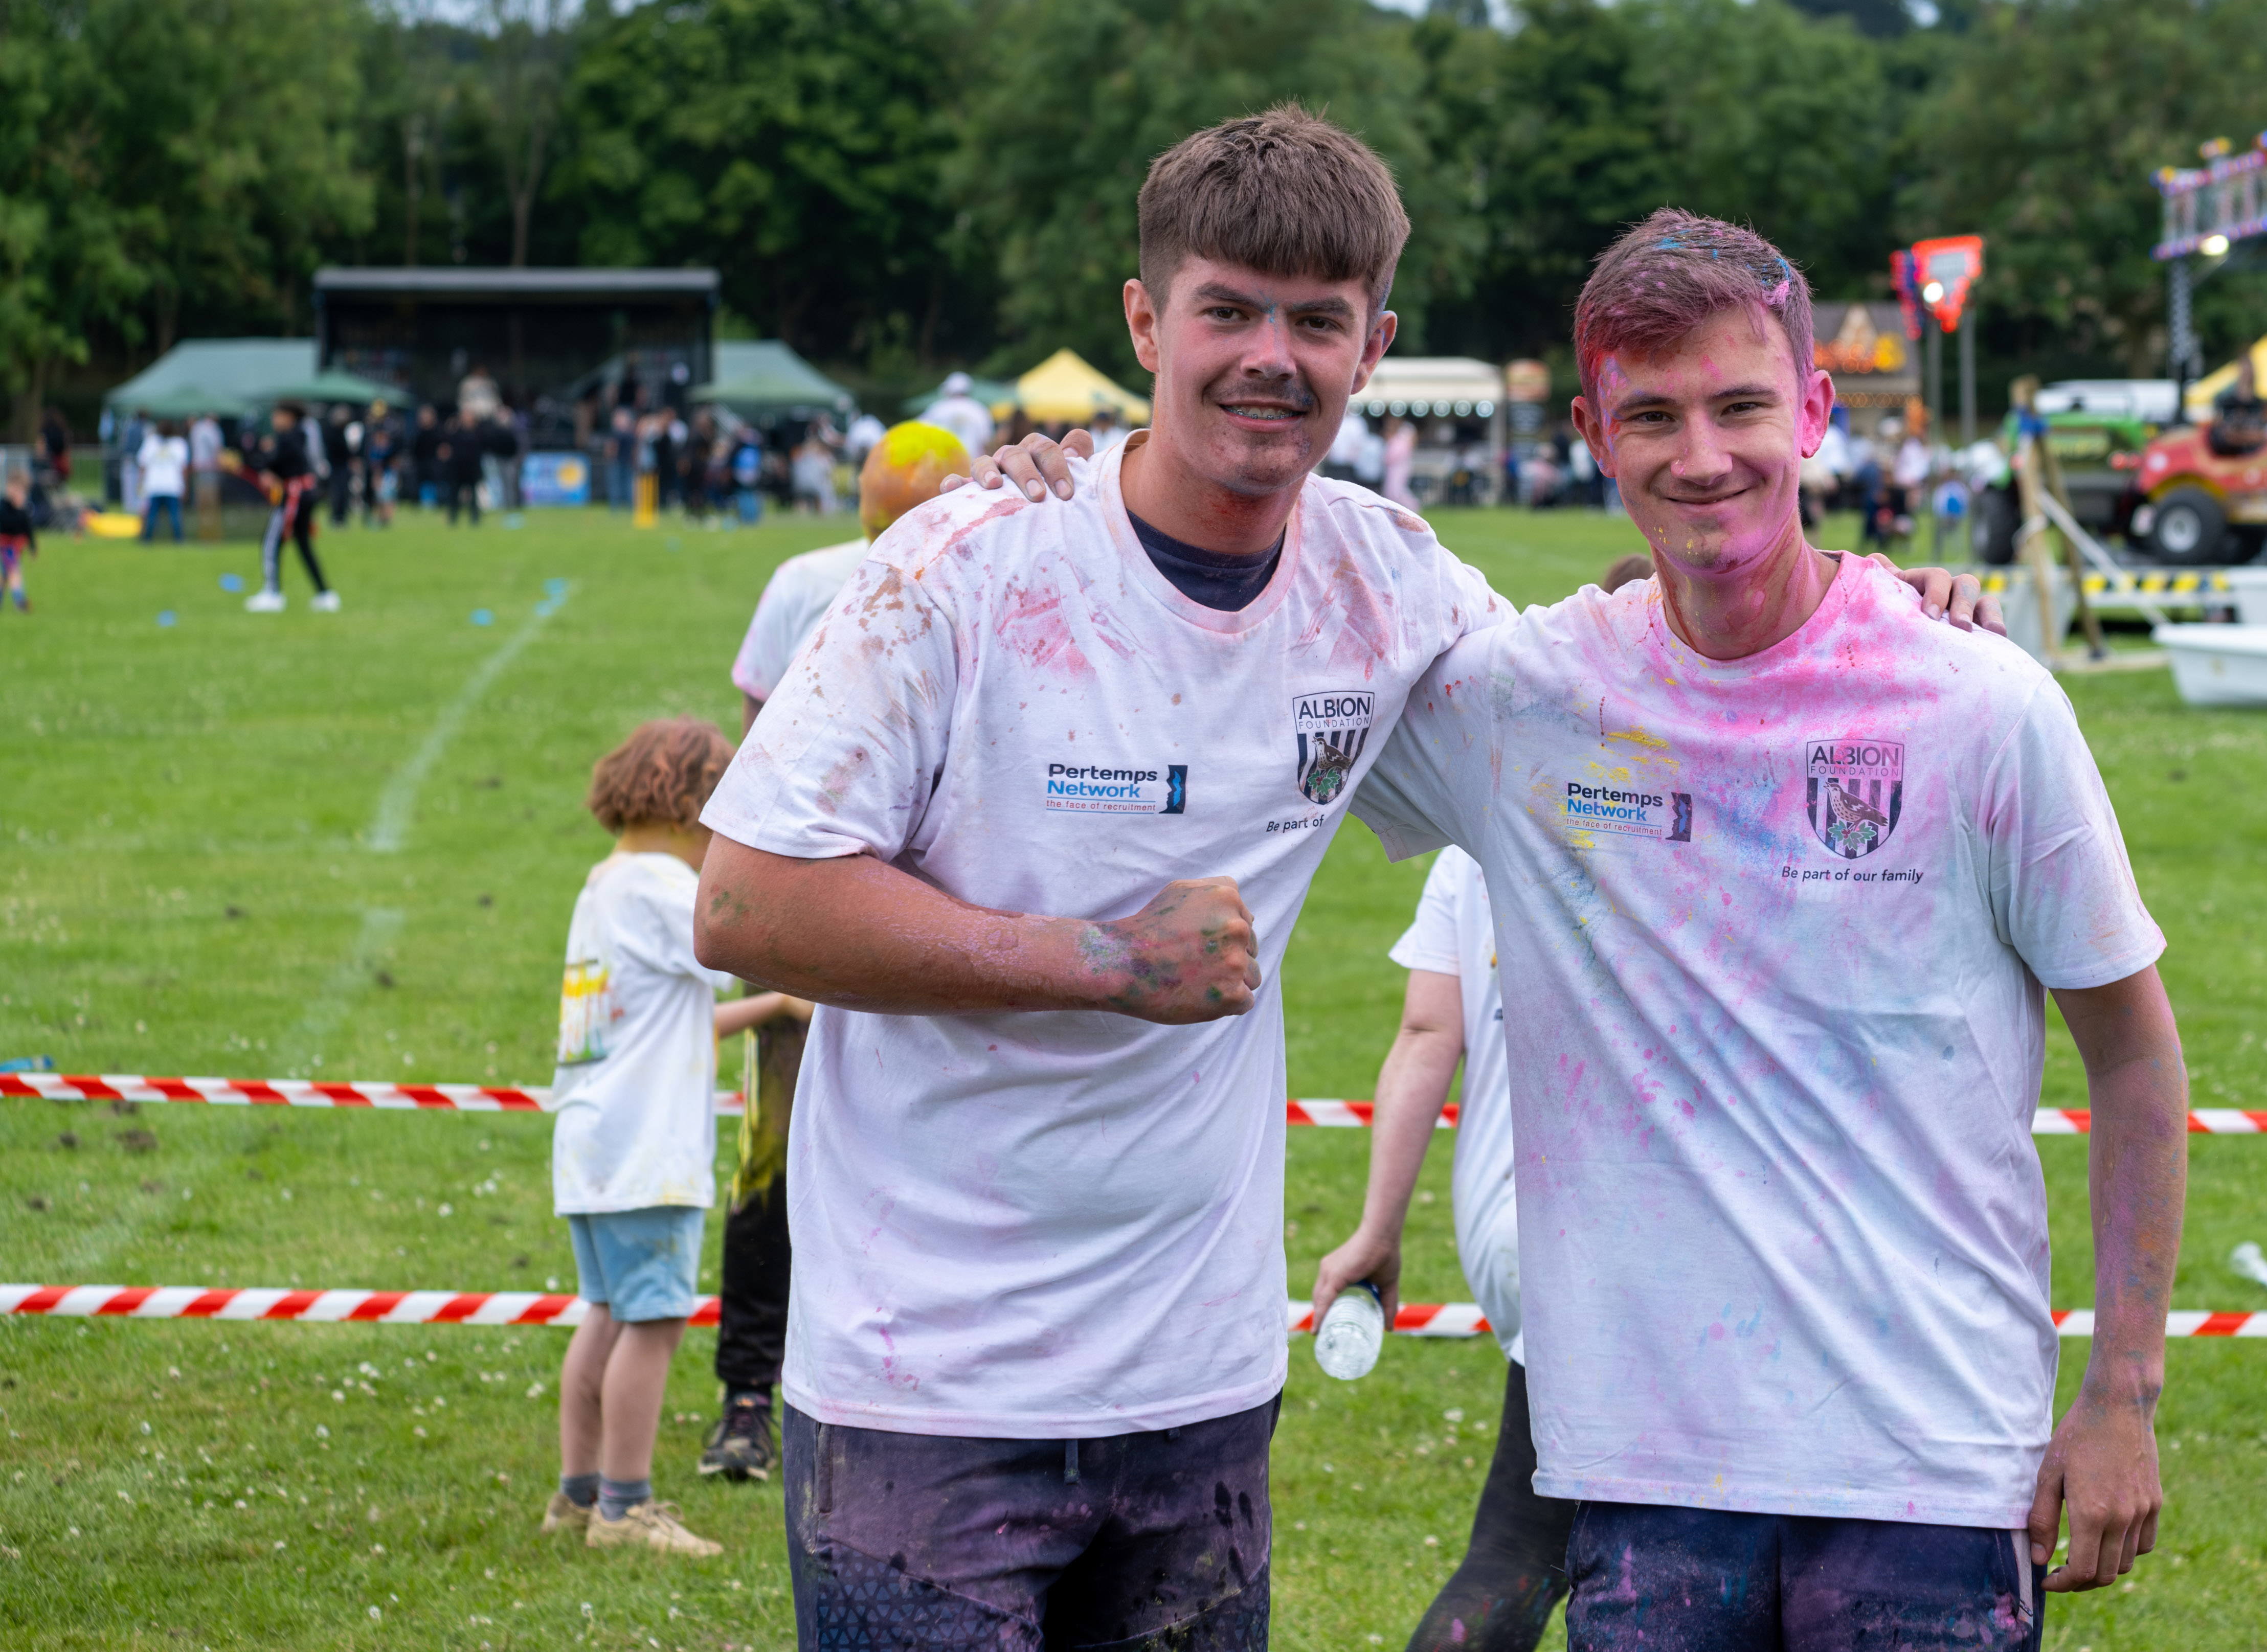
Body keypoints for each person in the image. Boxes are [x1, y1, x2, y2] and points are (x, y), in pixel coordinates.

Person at [700, 110, 2003, 1651]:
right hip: (923, 1392)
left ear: (1371, 343)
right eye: (1226, 311)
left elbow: (1620, 704)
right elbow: (747, 904)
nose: (1271, 355)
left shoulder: (1380, 585)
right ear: (1142, 321)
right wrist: (1096, 960)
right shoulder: (965, 570)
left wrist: (1867, 620)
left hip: (1200, 1393)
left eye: (1315, 320)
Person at [1346, 210, 2186, 1648]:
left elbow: (2133, 1060)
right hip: (1644, 1471)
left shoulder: (1978, 701)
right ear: (1593, 431)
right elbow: (1241, 632)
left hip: (1928, 1465)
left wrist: (2117, 1395)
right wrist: (1057, 485)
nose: (1700, 455)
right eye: (1652, 415)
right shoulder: (1523, 700)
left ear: (1810, 409)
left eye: (1739, 404)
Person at [1309, 559, 1649, 1652]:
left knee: (1516, 1547)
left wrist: (1374, 1229)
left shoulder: (1490, 821)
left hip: (1510, 1234)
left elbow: (1424, 1036)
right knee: (1650, 1569)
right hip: (1641, 1241)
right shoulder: (1698, 816)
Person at [696, 419, 976, 1487]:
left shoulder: (988, 574)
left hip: (932, 925)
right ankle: (747, 1395)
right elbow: (763, 771)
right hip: (810, 935)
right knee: (767, 1163)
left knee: (926, 1152)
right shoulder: (804, 587)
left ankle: (918, 1390)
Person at [543, 716, 805, 1558]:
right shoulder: (665, 891)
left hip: (593, 1148)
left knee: (607, 1315)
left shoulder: (605, 886)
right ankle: (628, 1508)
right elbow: (741, 933)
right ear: (696, 806)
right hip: (648, 1155)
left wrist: (777, 1007)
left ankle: (576, 1496)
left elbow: (677, 1018)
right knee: (653, 1325)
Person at [234, 402, 338, 613]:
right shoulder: (300, 434)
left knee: (271, 544)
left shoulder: (290, 437)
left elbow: (279, 462)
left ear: (289, 416)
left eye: (278, 415)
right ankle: (325, 594)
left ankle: (272, 594)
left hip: (295, 495)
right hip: (304, 493)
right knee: (303, 545)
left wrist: (265, 462)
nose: (275, 420)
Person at [920, 370, 996, 457]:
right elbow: (986, 441)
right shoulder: (979, 409)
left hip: (943, 464)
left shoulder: (936, 409)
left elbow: (921, 433)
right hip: (972, 464)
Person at [138, 420, 188, 542]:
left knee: (152, 514)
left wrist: (140, 483)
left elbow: (143, 465)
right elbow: (184, 468)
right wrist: (185, 486)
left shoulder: (150, 442)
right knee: (175, 514)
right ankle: (179, 539)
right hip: (173, 484)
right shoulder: (179, 443)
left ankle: (147, 539)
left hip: (154, 484)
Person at [0, 470, 37, 613]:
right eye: (14, 489)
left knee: (5, 575)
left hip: (15, 548)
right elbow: (7, 523)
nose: (17, 494)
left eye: (20, 491)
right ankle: (20, 602)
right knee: (14, 572)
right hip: (4, 546)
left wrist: (32, 548)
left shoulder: (22, 510)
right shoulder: (3, 506)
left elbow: (28, 530)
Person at [187, 413, 225, 542]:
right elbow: (217, 450)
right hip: (209, 471)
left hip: (200, 470)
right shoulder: (211, 429)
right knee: (210, 505)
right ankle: (210, 536)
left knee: (203, 506)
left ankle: (206, 535)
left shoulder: (197, 429)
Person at [1382, 410, 1418, 505]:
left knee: (1398, 489)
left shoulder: (1407, 429)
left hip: (1401, 464)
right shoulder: (1394, 432)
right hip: (1393, 465)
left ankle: (1413, 505)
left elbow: (1410, 445)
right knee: (1390, 489)